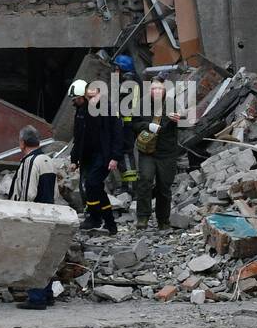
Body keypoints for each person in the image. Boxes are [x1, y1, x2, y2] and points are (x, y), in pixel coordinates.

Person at [7, 125, 60, 309]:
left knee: (32, 257)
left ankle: (36, 298)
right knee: (45, 256)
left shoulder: (31, 161)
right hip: (49, 213)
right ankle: (47, 294)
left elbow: (28, 193)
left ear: (22, 142)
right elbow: (54, 191)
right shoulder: (48, 160)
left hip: (34, 216)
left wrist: (18, 212)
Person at [68, 79, 123, 235]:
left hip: (103, 155)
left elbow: (117, 134)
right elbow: (78, 137)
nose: (76, 102)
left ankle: (95, 217)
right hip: (87, 156)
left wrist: (115, 157)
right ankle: (110, 224)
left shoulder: (108, 109)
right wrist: (74, 159)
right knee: (95, 187)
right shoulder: (81, 111)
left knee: (92, 184)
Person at [131, 79, 182, 229]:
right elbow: (133, 124)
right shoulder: (142, 104)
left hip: (167, 152)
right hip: (148, 151)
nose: (157, 92)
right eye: (154, 89)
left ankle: (163, 220)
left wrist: (176, 120)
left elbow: (186, 122)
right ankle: (143, 217)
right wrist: (148, 126)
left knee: (164, 187)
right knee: (145, 181)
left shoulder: (172, 103)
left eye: (160, 89)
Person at [113, 54, 140, 195]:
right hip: (126, 124)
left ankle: (130, 187)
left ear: (123, 69)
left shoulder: (127, 85)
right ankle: (127, 185)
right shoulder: (130, 82)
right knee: (124, 154)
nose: (115, 72)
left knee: (126, 153)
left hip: (127, 126)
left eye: (117, 69)